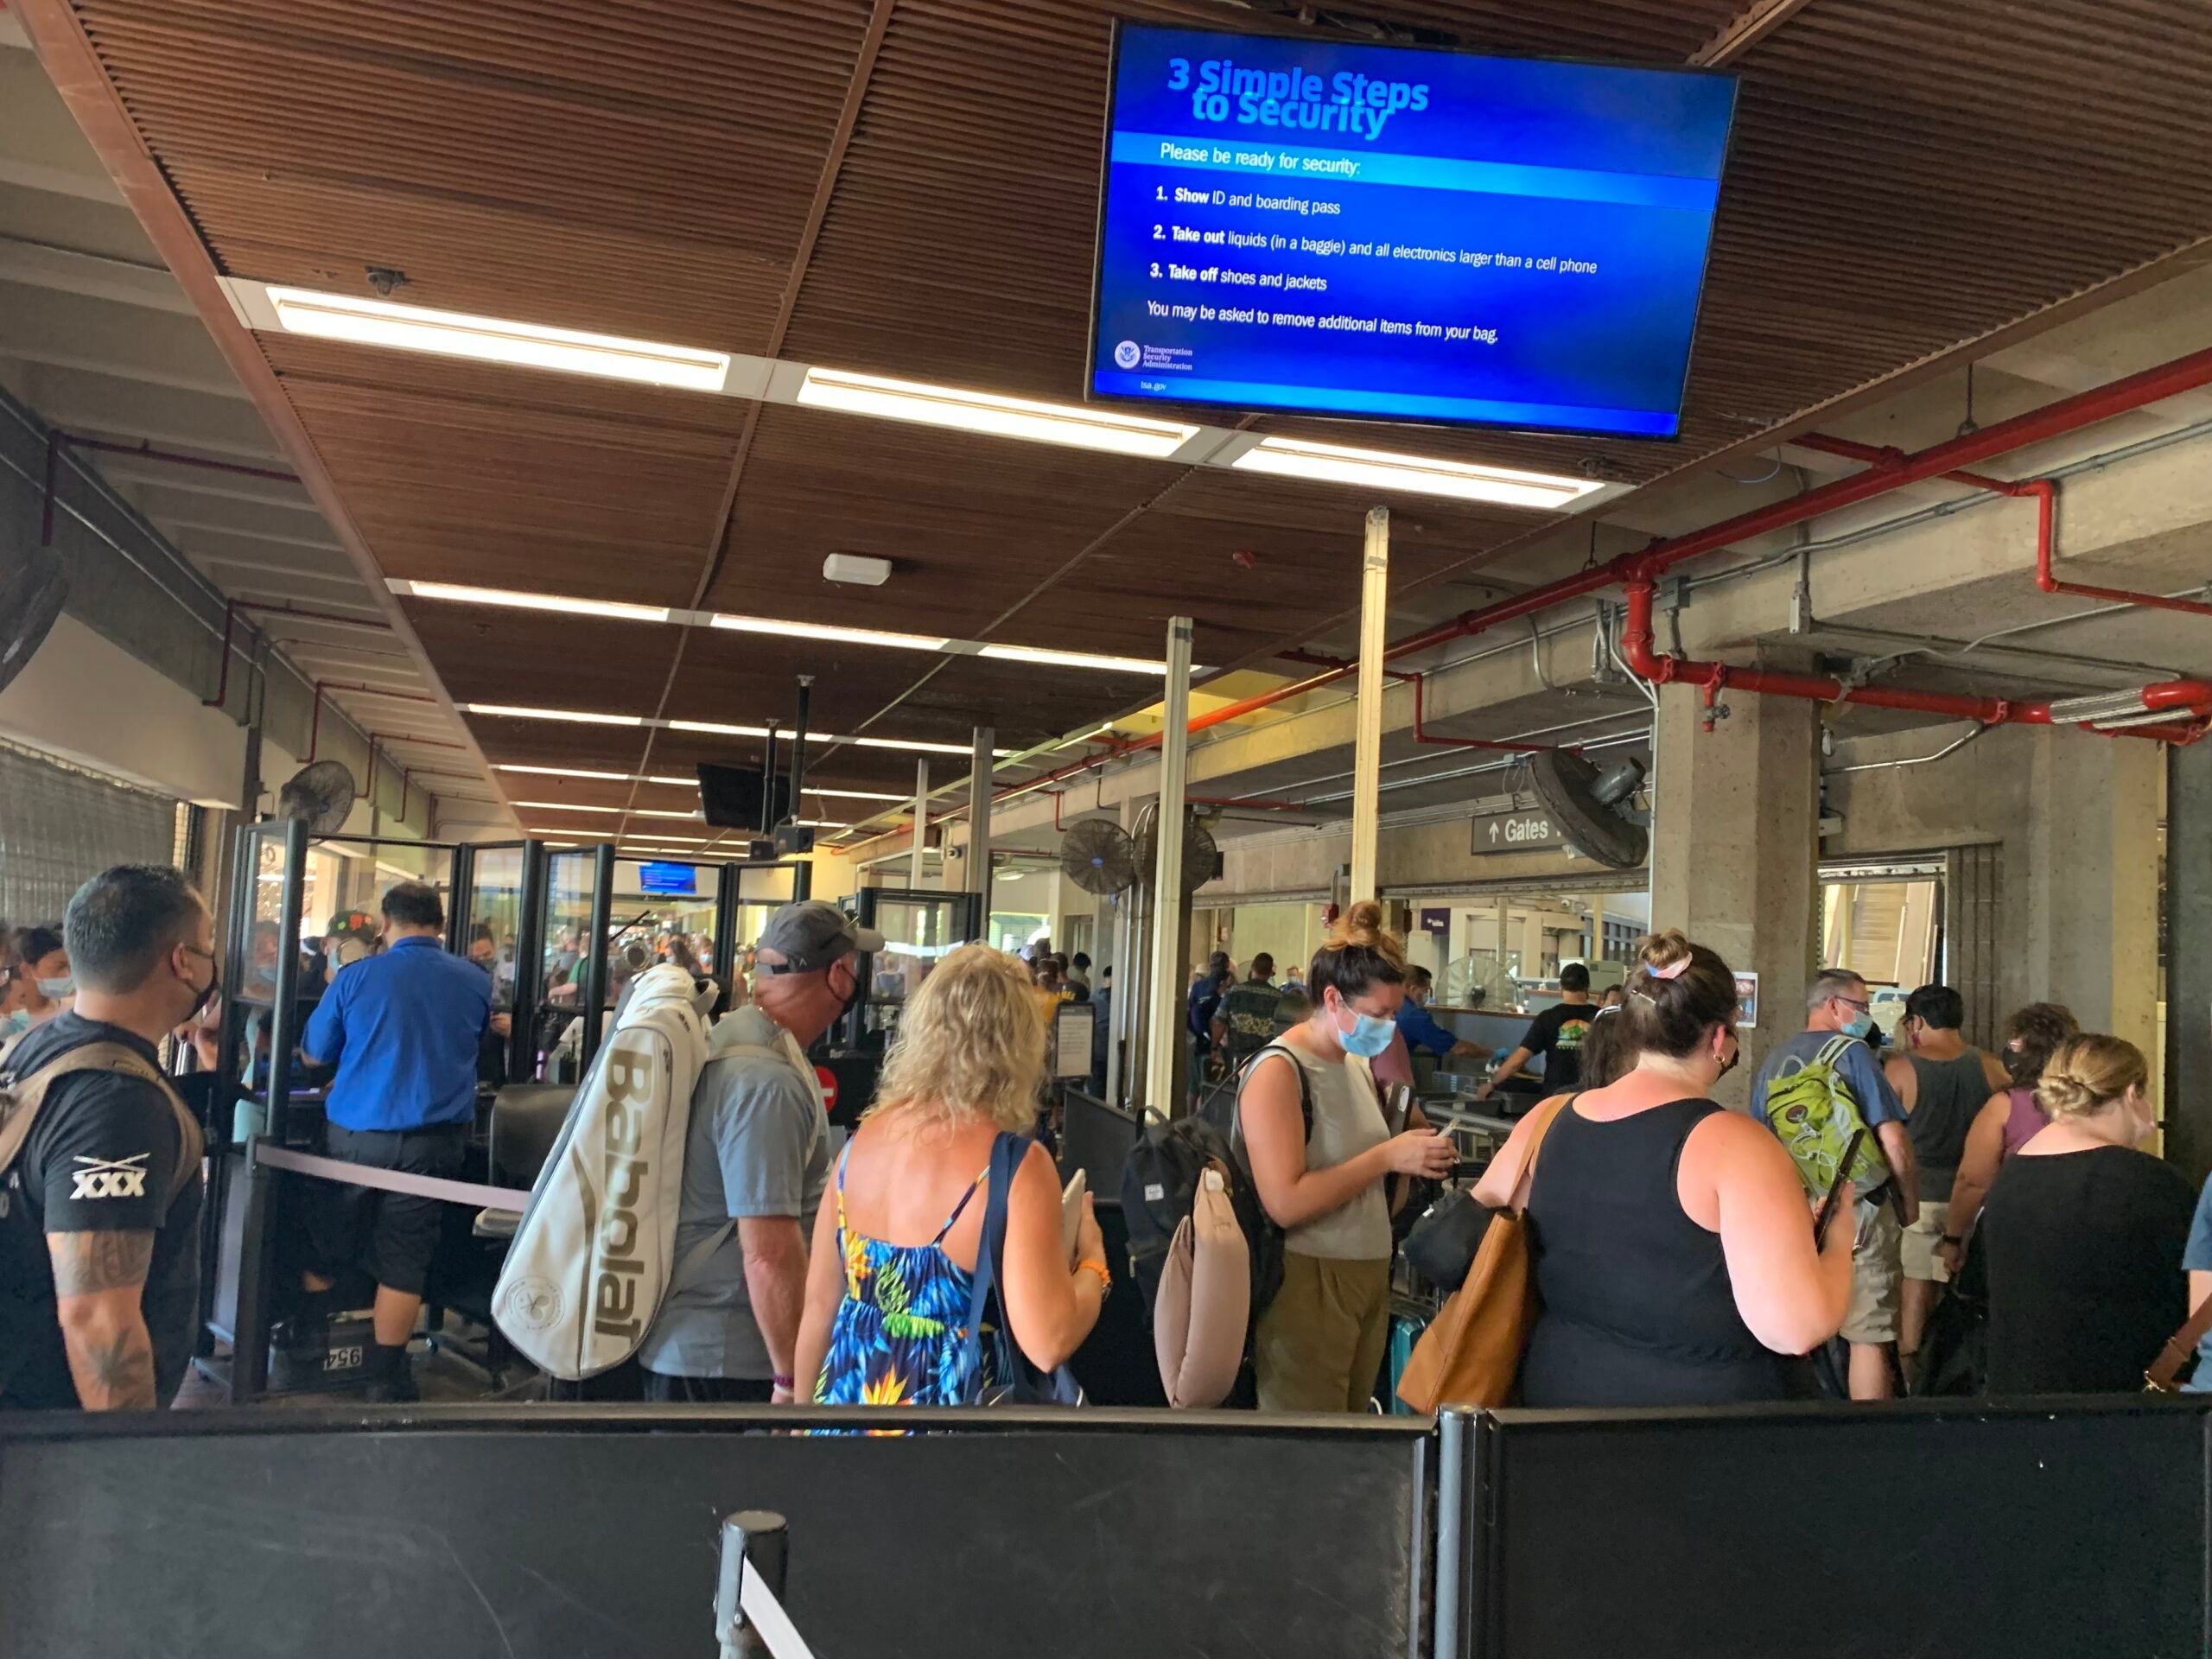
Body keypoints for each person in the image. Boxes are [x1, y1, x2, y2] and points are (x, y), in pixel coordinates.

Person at [1476, 931, 1854, 1407]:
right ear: (1719, 1038)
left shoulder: (1547, 1119)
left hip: (1555, 1397)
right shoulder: (1737, 1145)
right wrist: (1840, 1237)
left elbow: (1482, 1222)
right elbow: (1795, 1330)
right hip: (1690, 1432)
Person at [797, 944, 1104, 1411]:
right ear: (1019, 1045)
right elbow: (1048, 1340)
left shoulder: (858, 1147)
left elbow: (820, 1307)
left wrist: (800, 1429)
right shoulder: (1013, 1165)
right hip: (948, 1443)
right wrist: (1093, 1267)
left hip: (843, 1420)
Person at [0, 866, 215, 1410]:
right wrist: (129, 1471)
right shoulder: (117, 1103)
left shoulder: (39, 1046)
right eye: (209, 944)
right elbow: (98, 1320)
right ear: (182, 961)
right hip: (53, 1442)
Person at [639, 901, 868, 1403]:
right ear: (838, 975)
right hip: (724, 1359)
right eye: (854, 968)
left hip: (714, 1347)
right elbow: (768, 1251)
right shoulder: (767, 1082)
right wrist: (793, 1380)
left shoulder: (744, 1038)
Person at [1240, 904, 1455, 1411]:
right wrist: (1387, 1156)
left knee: (1355, 1437)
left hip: (1368, 1273)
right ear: (1333, 999)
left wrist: (1414, 1153)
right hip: (1308, 1280)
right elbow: (1285, 1203)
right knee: (1311, 1453)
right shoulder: (1279, 1071)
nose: (1387, 1027)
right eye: (1378, 1014)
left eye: (1393, 1015)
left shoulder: (1358, 1066)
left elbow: (1374, 1188)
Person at [297, 882, 493, 1402]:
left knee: (327, 1240)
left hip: (355, 1141)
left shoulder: (357, 976)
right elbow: (474, 1047)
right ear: (442, 925)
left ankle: (311, 1349)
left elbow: (315, 1054)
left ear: (386, 923)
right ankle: (387, 1377)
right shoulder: (475, 981)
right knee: (405, 1259)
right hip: (432, 1146)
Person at [1980, 1034, 2191, 1395]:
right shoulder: (2147, 1182)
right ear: (2130, 1094)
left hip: (2016, 1397)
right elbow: (2194, 1290)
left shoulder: (2010, 1179)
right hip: (2121, 1402)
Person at [1746, 969, 1916, 1400]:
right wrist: (1907, 1203)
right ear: (1833, 1005)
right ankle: (1869, 1443)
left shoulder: (1772, 1062)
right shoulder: (1854, 1053)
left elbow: (1761, 1146)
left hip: (1800, 1211)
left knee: (1808, 1327)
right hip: (1859, 1207)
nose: (1866, 1016)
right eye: (1860, 1006)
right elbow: (1892, 1138)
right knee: (1868, 1334)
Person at [1882, 984, 2011, 1372]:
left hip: (1917, 1198)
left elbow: (1883, 1134)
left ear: (1916, 1021)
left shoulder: (1901, 1068)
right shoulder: (1990, 1066)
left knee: (1915, 1287)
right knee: (1961, 1289)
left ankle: (1913, 1371)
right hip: (1975, 1199)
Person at [1939, 1001, 2080, 1275]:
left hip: (2018, 1229)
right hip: (2081, 1224)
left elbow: (1973, 1180)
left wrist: (1953, 1237)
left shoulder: (2005, 1105)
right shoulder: (2092, 1103)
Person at [1478, 962, 1593, 1099]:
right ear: (1587, 987)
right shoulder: (1602, 1018)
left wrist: (1492, 1083)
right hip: (1592, 1096)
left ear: (1560, 986)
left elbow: (1518, 1060)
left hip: (1555, 1096)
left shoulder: (1548, 1018)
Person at [1209, 952, 1284, 1071]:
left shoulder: (1234, 992)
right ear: (1270, 973)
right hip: (1266, 1059)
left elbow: (1219, 1022)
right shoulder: (1279, 998)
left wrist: (1214, 1048)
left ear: (1252, 968)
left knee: (1238, 1089)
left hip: (1238, 1059)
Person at [3, 925, 73, 1033]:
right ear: (27, 969)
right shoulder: (12, 1025)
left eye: (69, 966)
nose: (67, 974)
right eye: (59, 967)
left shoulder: (73, 1014)